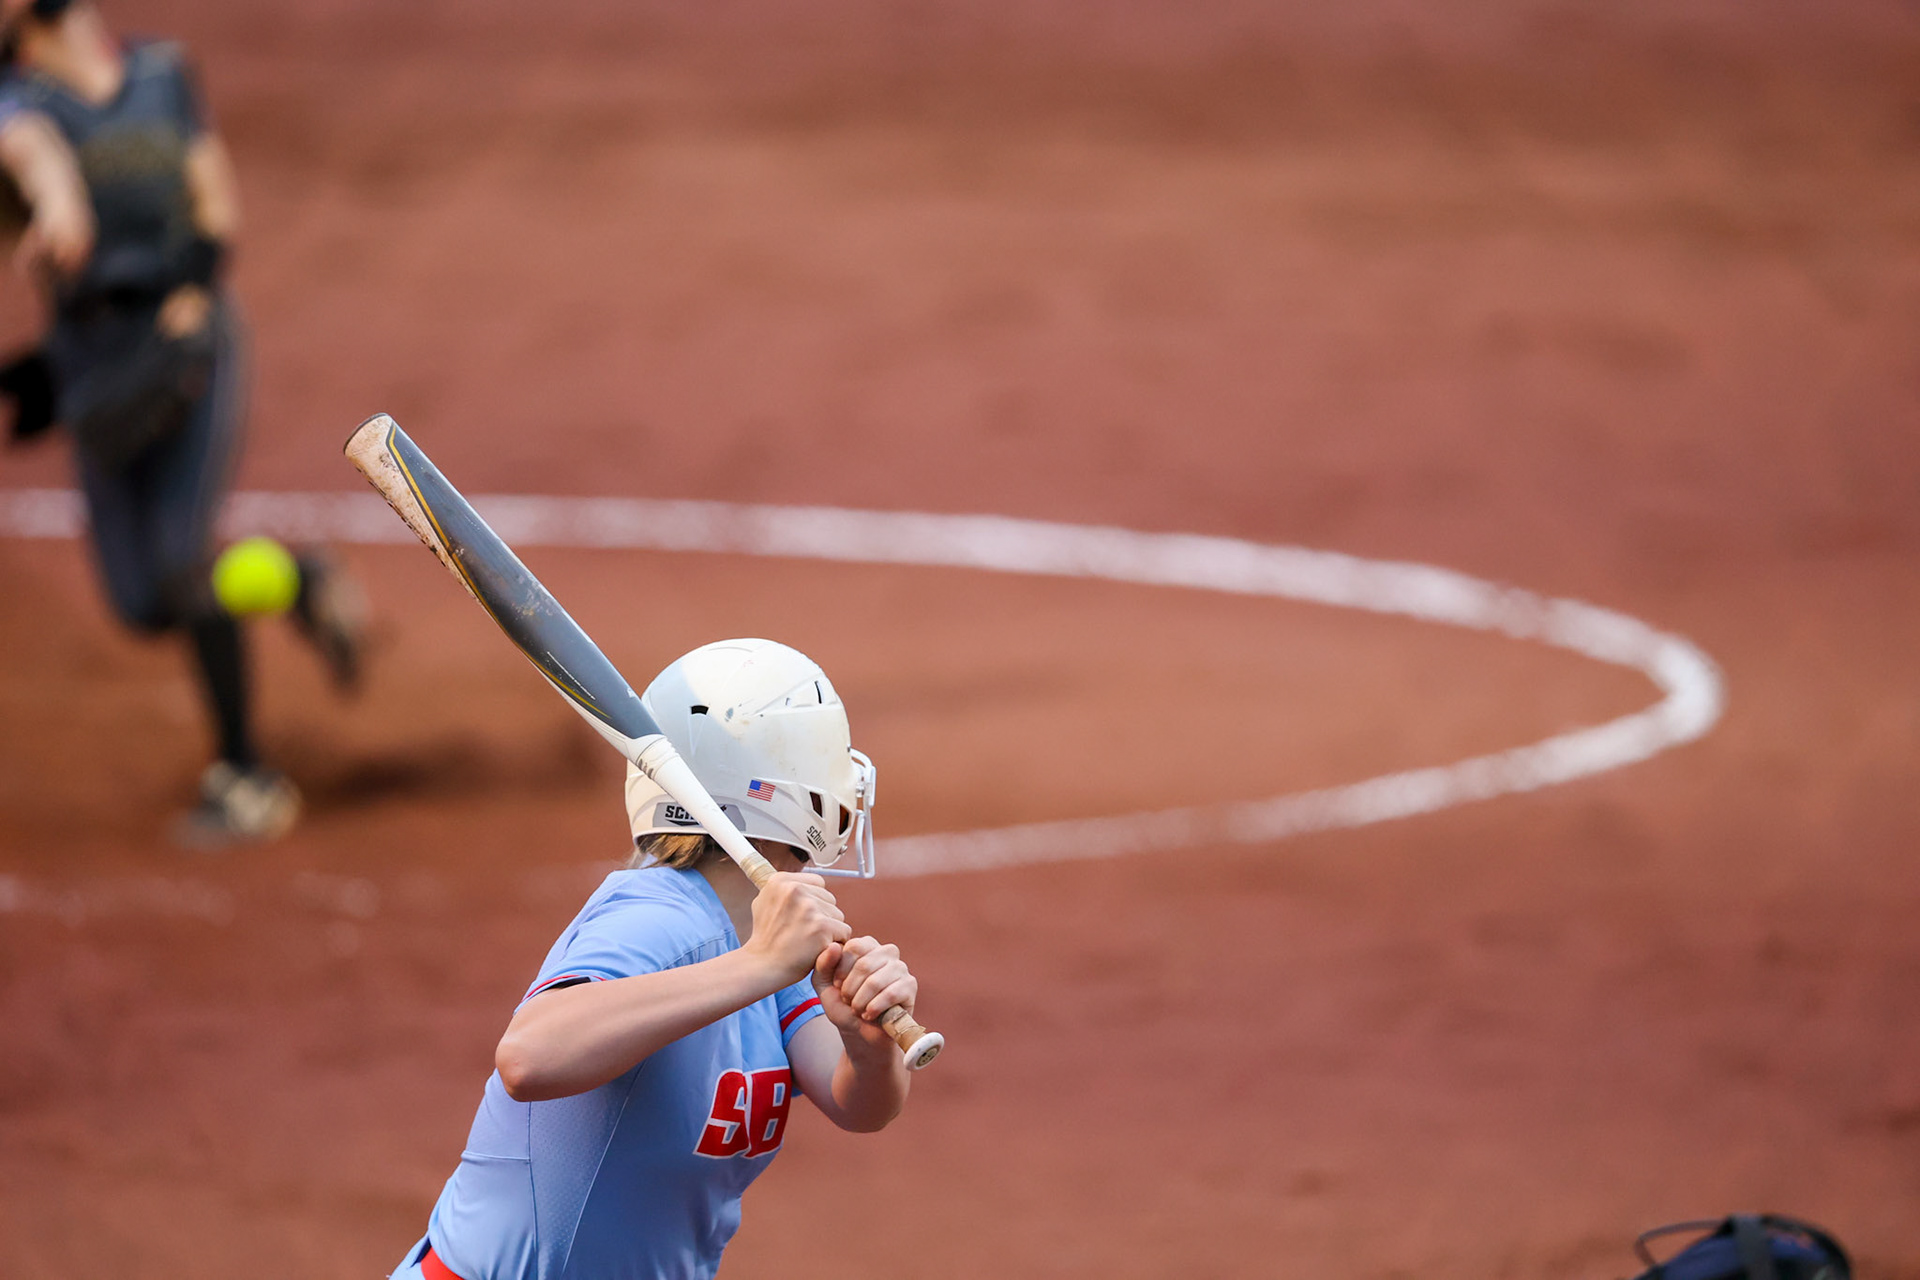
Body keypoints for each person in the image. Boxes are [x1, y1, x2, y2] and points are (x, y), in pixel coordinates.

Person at [390, 639, 921, 1280]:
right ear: (786, 792)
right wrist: (757, 965)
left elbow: (860, 1106)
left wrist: (866, 1042)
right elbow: (528, 1058)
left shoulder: (757, 928)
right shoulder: (662, 916)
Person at [0, 0, 364, 845]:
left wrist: (196, 286)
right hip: (95, 367)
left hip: (189, 341)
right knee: (141, 602)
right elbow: (32, 153)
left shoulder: (161, 72)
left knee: (177, 562)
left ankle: (246, 775)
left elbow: (211, 188)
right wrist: (57, 210)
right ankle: (301, 580)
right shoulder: (18, 97)